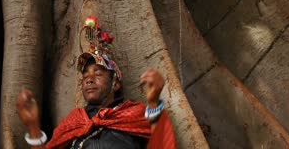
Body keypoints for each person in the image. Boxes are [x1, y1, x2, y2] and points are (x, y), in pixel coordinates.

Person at [16, 17, 176, 148]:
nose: (89, 79)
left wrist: (154, 102)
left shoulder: (135, 114)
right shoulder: (74, 121)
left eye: (98, 74)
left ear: (116, 83)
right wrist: (33, 126)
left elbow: (161, 144)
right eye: (85, 77)